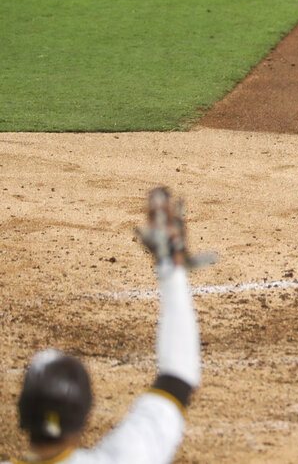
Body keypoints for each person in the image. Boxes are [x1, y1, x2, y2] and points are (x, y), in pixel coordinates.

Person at [7, 187, 207, 464]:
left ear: (21, 412)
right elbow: (178, 377)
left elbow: (179, 379)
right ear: (85, 414)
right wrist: (171, 270)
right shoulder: (124, 457)